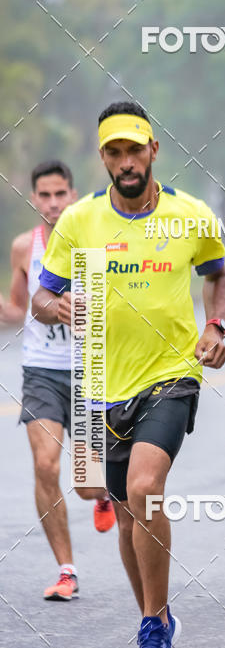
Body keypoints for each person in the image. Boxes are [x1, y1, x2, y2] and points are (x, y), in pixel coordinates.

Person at [32, 103, 225, 648]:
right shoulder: (79, 222)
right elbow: (44, 294)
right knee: (120, 512)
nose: (126, 162)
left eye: (134, 150)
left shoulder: (189, 215)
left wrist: (215, 327)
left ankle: (149, 627)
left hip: (170, 375)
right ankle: (160, 614)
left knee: (145, 488)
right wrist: (60, 306)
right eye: (114, 153)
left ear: (153, 151)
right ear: (104, 159)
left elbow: (217, 275)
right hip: (98, 381)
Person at [0, 160, 116, 603]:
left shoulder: (96, 243)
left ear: (73, 195)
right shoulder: (21, 247)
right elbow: (17, 307)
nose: (52, 203)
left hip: (90, 371)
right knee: (46, 464)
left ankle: (103, 493)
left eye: (60, 194)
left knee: (86, 484)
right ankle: (66, 570)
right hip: (41, 370)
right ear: (34, 199)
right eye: (44, 195)